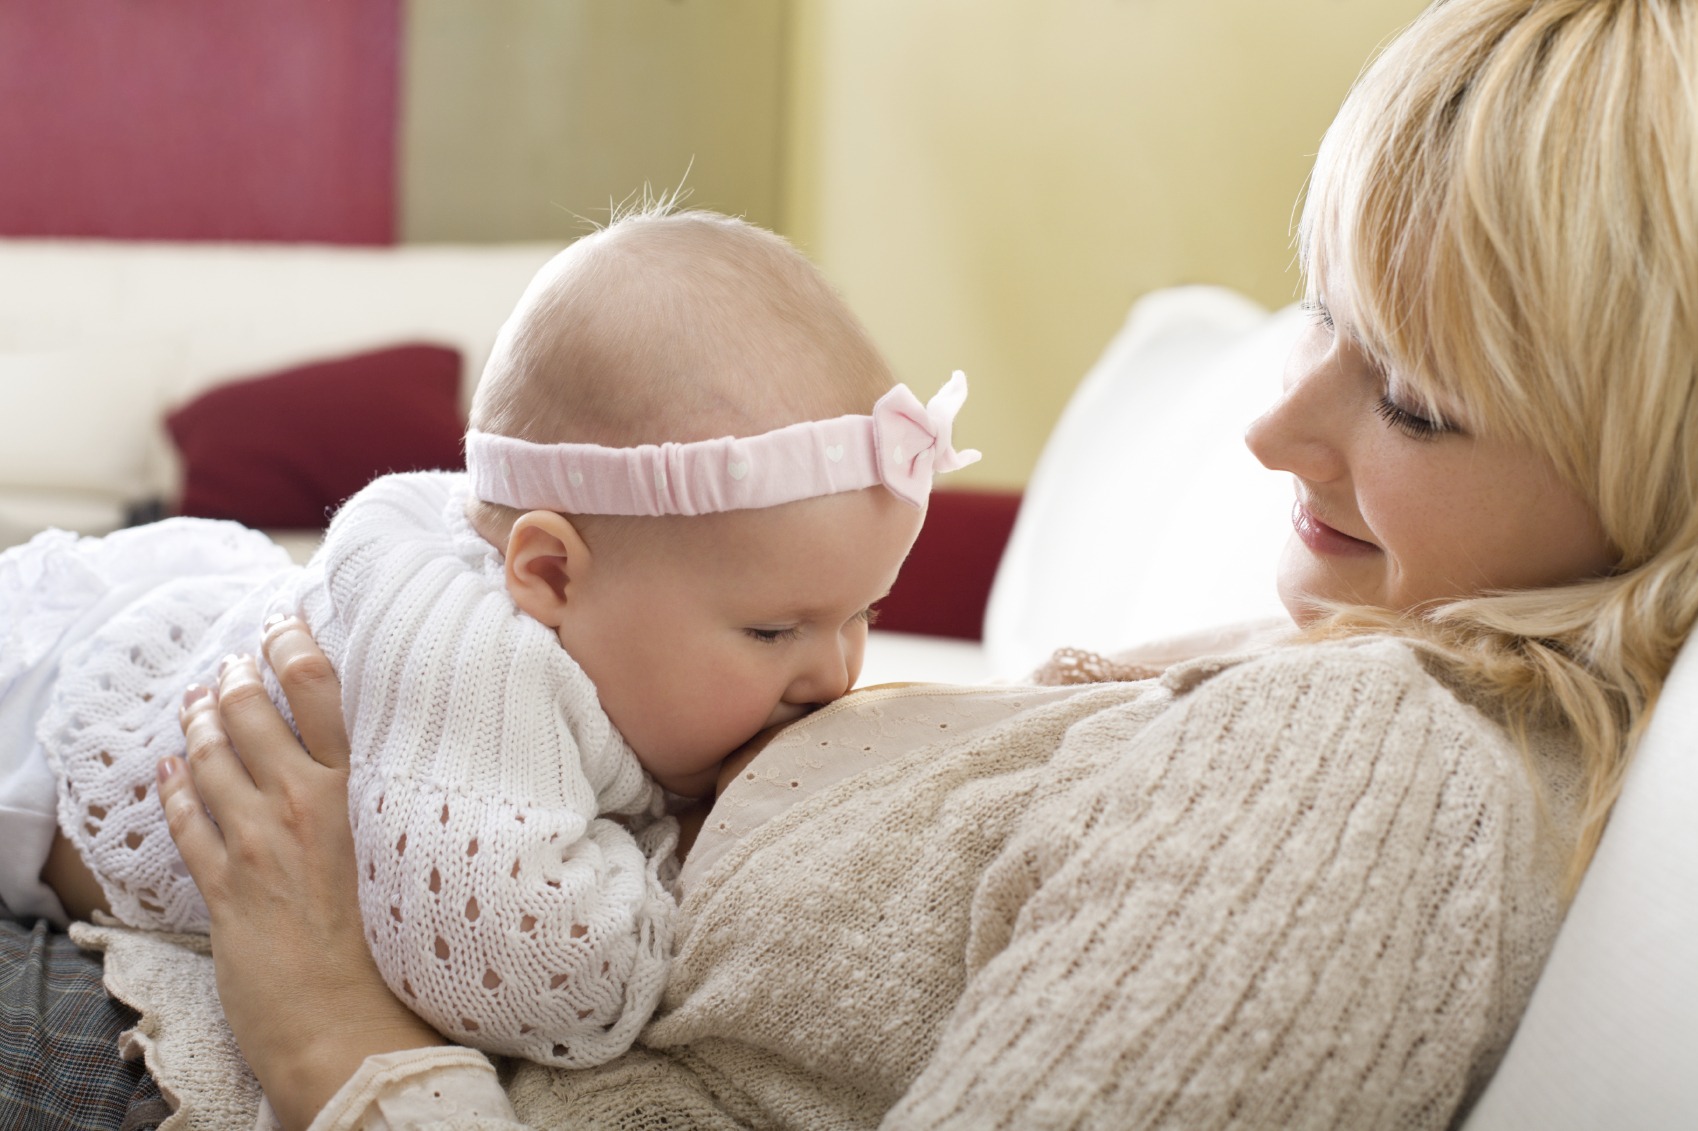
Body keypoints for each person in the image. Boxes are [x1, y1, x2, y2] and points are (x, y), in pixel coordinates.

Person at [11, 0, 1698, 1127]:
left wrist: (338, 1039)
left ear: (1639, 466)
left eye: (1408, 395)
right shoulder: (1338, 666)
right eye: (1320, 313)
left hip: (205, 1036)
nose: (1270, 429)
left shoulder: (1376, 774)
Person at [0, 211, 974, 1077]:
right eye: (773, 630)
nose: (835, 673)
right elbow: (517, 969)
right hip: (29, 717)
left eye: (864, 614)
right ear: (548, 574)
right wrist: (687, 849)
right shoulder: (477, 663)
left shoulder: (604, 631)